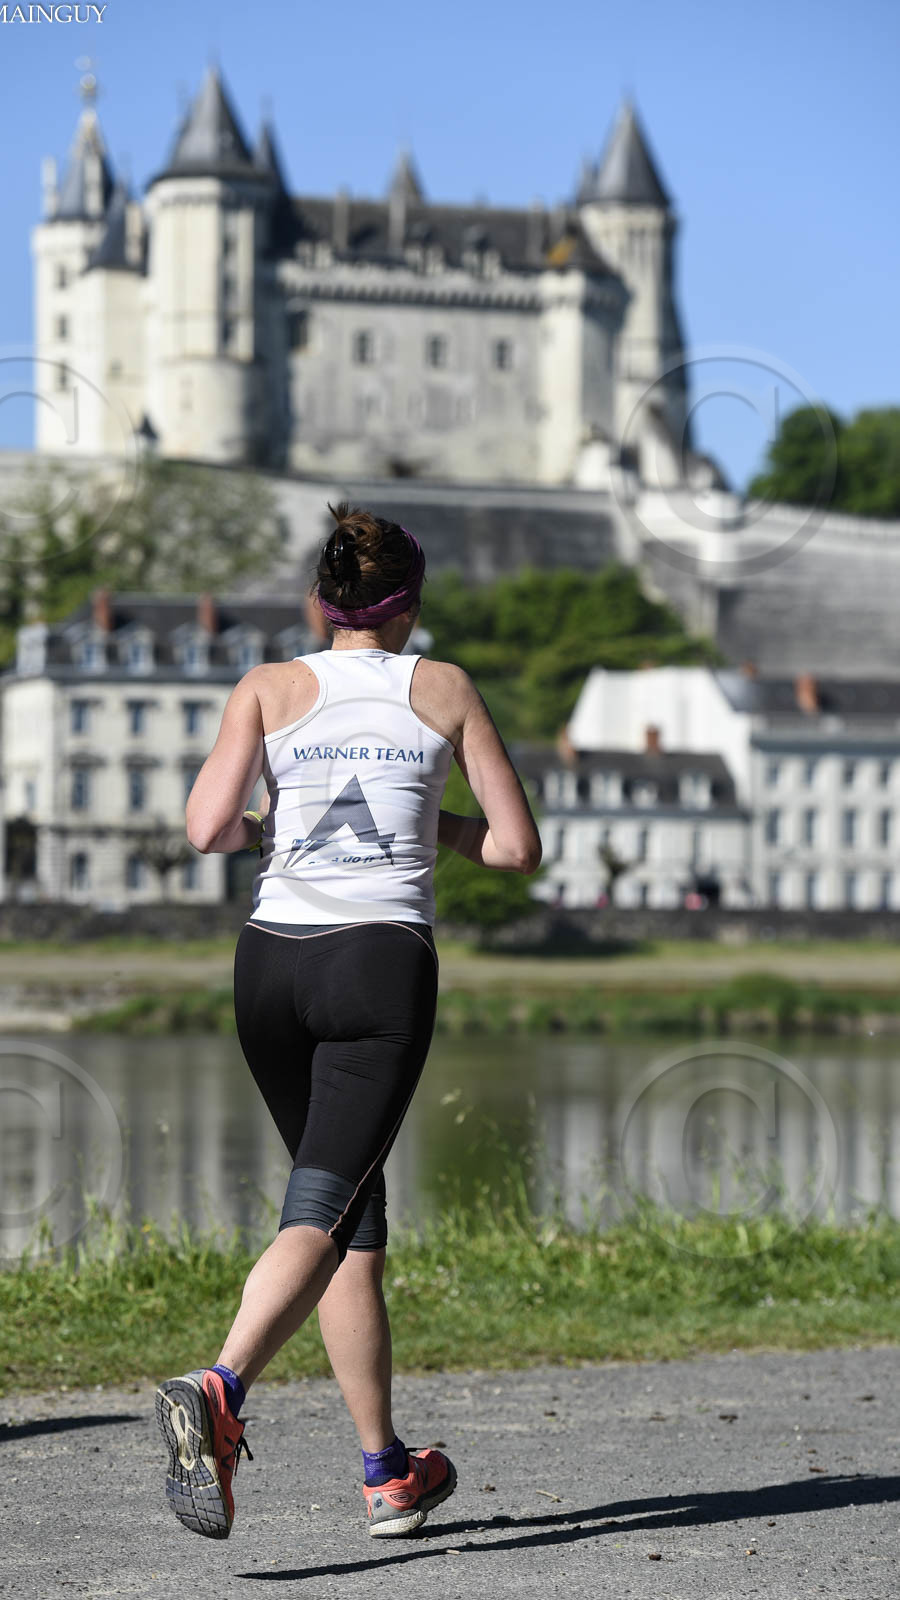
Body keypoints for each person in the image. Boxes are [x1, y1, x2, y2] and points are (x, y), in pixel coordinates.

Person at [155, 503, 543, 1541]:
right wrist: (429, 819)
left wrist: (274, 821)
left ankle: (387, 1472)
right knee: (323, 1208)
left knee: (347, 1215)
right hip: (377, 967)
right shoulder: (444, 687)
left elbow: (206, 827)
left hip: (268, 966)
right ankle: (220, 1388)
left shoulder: (266, 686)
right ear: (408, 604)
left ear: (319, 603)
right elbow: (516, 848)